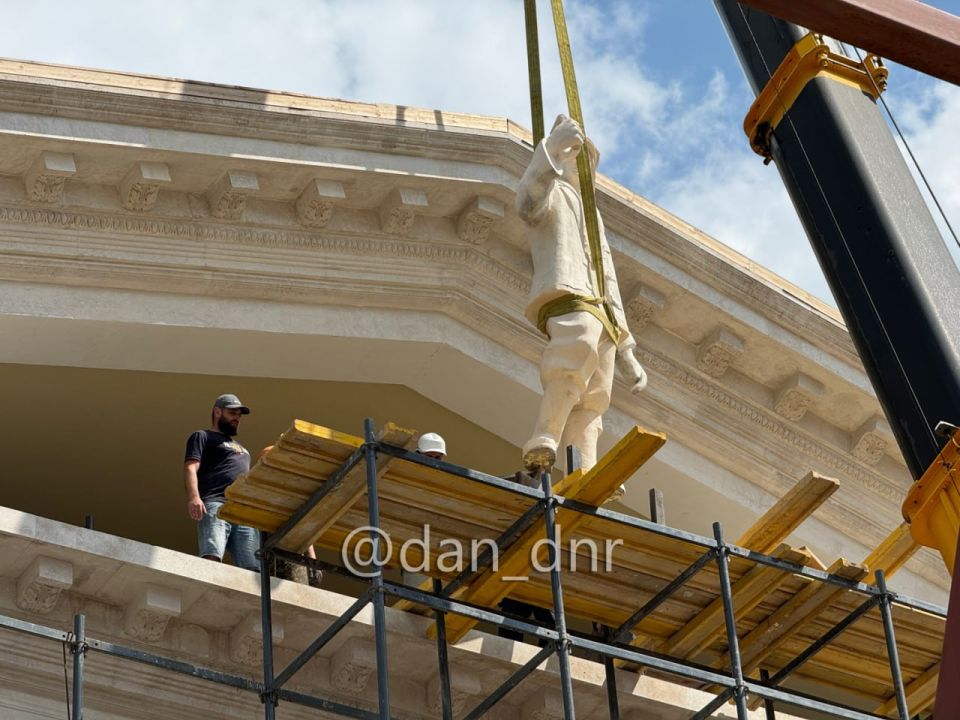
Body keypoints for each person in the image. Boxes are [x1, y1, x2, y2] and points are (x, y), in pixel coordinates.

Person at [516, 114, 647, 473]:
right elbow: (527, 204)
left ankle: (584, 468)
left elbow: (611, 284)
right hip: (566, 290)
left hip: (600, 307)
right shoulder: (552, 189)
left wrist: (626, 351)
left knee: (597, 389)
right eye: (576, 156)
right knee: (579, 344)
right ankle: (544, 435)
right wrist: (552, 149)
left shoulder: (594, 219)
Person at [183, 393, 259, 570]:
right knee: (213, 553)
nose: (237, 418)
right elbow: (190, 467)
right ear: (217, 412)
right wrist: (194, 497)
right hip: (215, 503)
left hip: (242, 510)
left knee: (253, 566)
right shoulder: (202, 436)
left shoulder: (243, 449)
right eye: (232, 413)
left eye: (239, 416)